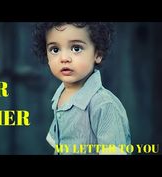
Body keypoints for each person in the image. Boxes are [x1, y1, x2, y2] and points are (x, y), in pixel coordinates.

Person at [32, 22, 131, 155]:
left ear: (98, 54)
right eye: (55, 50)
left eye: (76, 48)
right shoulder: (60, 95)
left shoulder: (104, 105)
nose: (64, 58)